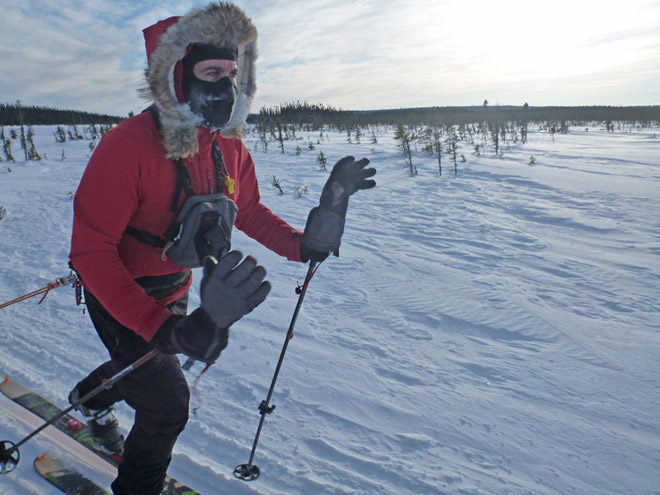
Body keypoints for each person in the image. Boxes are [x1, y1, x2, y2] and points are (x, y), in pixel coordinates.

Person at [67, 2, 376, 495]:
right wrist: (161, 326)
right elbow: (90, 252)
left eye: (233, 73)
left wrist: (304, 244)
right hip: (121, 292)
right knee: (167, 405)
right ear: (177, 76)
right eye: (212, 72)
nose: (226, 87)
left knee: (146, 364)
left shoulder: (228, 145)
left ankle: (89, 397)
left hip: (177, 285)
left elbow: (248, 210)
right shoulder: (126, 146)